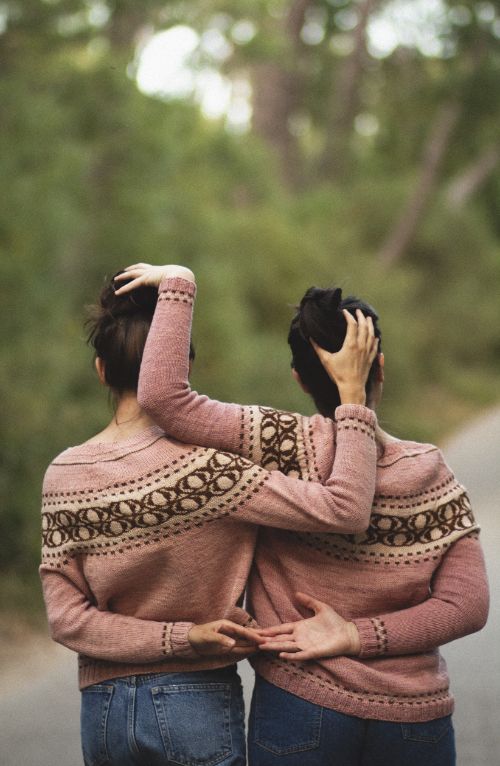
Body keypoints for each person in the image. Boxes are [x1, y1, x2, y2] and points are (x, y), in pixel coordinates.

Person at [120, 263, 489, 766]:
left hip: (300, 703)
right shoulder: (431, 471)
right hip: (414, 719)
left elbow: (162, 397)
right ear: (379, 367)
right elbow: (466, 606)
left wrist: (179, 282)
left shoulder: (275, 441)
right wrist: (364, 635)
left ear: (298, 378)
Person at [40, 266, 381, 766]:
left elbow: (66, 619)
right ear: (182, 365)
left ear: (100, 371)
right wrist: (353, 403)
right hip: (191, 701)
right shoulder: (210, 472)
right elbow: (346, 509)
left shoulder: (62, 475)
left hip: (103, 711)